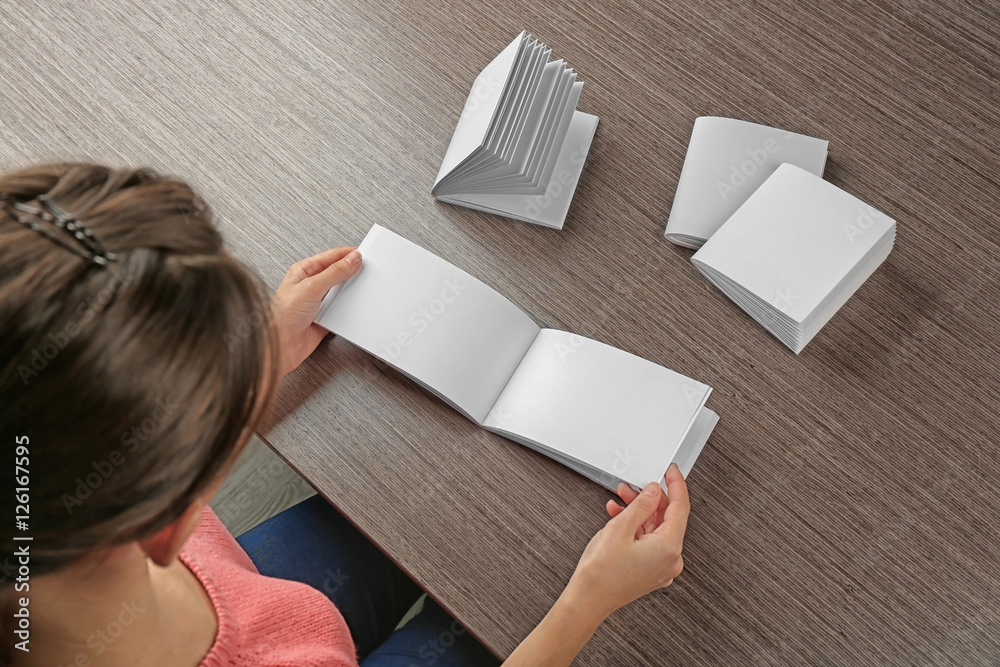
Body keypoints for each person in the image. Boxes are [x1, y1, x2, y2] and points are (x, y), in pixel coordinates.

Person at [0, 163, 689, 666]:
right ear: (164, 519)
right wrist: (588, 602)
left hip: (245, 591)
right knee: (487, 616)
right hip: (285, 639)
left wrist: (259, 356)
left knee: (393, 522)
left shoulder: (41, 510)